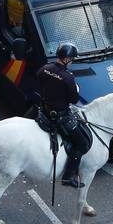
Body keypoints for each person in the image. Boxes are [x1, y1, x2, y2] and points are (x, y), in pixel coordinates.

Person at [36, 45, 87, 188]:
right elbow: (73, 99)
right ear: (67, 59)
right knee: (81, 143)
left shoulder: (45, 68)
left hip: (43, 111)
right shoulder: (68, 78)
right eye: (72, 59)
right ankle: (68, 176)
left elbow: (38, 79)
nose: (72, 62)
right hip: (59, 117)